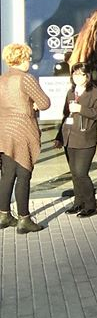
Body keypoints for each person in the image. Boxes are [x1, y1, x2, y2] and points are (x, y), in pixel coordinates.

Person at [0, 42, 51, 233]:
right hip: (22, 131)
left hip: (4, 132)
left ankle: (3, 215)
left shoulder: (2, 79)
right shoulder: (26, 78)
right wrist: (33, 105)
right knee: (23, 175)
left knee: (6, 176)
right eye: (28, 57)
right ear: (20, 59)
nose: (29, 61)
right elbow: (45, 103)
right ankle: (24, 220)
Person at [53, 63, 97, 217]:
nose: (77, 77)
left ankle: (90, 205)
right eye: (75, 74)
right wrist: (59, 137)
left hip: (85, 139)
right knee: (74, 174)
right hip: (69, 138)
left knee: (81, 173)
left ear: (88, 76)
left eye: (81, 74)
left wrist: (81, 109)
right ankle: (78, 203)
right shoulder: (71, 92)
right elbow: (65, 116)